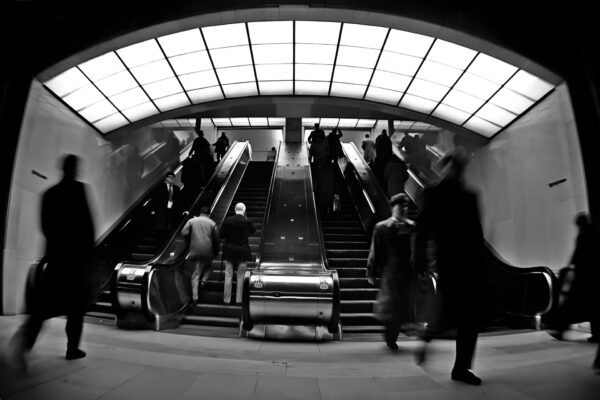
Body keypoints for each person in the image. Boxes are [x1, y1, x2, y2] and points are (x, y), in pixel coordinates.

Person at [10, 154, 95, 366]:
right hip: (76, 262)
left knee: (42, 306)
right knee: (76, 309)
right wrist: (89, 255)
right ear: (75, 169)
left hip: (55, 259)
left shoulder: (49, 194)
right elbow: (87, 227)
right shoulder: (80, 190)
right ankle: (72, 348)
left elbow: (45, 226)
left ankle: (24, 344)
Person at [414, 147, 487, 386]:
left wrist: (421, 259)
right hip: (467, 265)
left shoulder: (433, 193)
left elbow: (422, 229)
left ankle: (429, 337)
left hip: (447, 262)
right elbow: (477, 235)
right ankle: (460, 367)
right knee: (468, 318)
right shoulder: (468, 196)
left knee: (448, 310)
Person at [367, 193, 414, 350]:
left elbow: (417, 250)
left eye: (406, 206)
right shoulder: (381, 227)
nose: (404, 209)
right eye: (401, 206)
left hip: (407, 274)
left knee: (401, 307)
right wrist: (371, 271)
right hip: (390, 273)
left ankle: (392, 334)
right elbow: (375, 250)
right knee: (391, 305)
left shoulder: (412, 227)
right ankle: (390, 336)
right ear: (393, 208)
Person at [551, 212, 598, 342]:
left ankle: (561, 329)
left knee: (569, 305)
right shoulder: (592, 233)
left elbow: (577, 255)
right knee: (590, 306)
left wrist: (568, 267)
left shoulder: (583, 235)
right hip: (590, 276)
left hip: (582, 276)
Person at [182, 206, 220, 304]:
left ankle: (195, 297)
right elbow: (216, 240)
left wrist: (189, 242)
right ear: (209, 214)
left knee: (196, 274)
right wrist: (215, 252)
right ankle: (203, 281)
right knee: (209, 266)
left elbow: (184, 232)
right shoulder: (213, 223)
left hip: (195, 250)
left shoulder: (192, 221)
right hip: (208, 251)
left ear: (200, 212)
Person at [220, 202, 256, 304]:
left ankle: (226, 299)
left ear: (235, 209)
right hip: (242, 252)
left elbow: (221, 235)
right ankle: (239, 300)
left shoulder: (228, 220)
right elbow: (253, 231)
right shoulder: (247, 221)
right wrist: (246, 218)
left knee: (228, 275)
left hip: (230, 251)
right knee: (241, 276)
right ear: (244, 210)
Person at [151, 171, 181, 239]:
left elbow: (180, 201)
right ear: (166, 178)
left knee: (169, 229)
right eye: (170, 177)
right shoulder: (159, 187)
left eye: (173, 177)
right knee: (161, 231)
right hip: (161, 211)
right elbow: (155, 199)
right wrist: (153, 209)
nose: (172, 179)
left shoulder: (176, 188)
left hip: (172, 212)